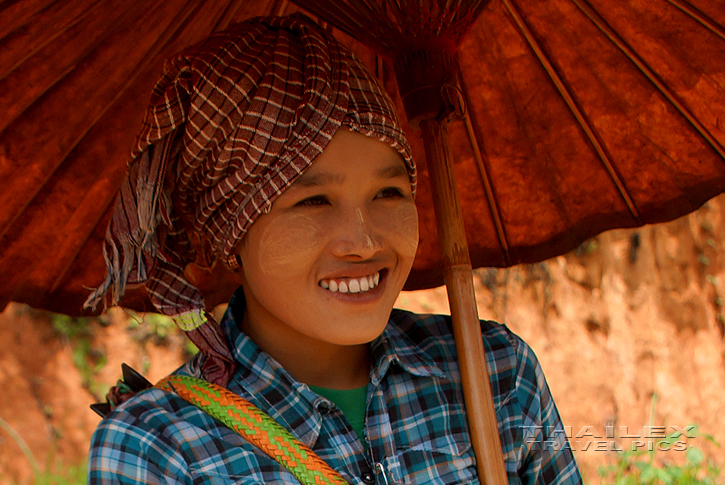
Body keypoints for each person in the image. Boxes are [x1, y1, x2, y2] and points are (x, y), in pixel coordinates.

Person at [87, 14, 582, 485]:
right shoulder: (160, 446)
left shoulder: (497, 371)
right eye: (314, 201)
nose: (364, 242)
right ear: (228, 234)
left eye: (388, 193)